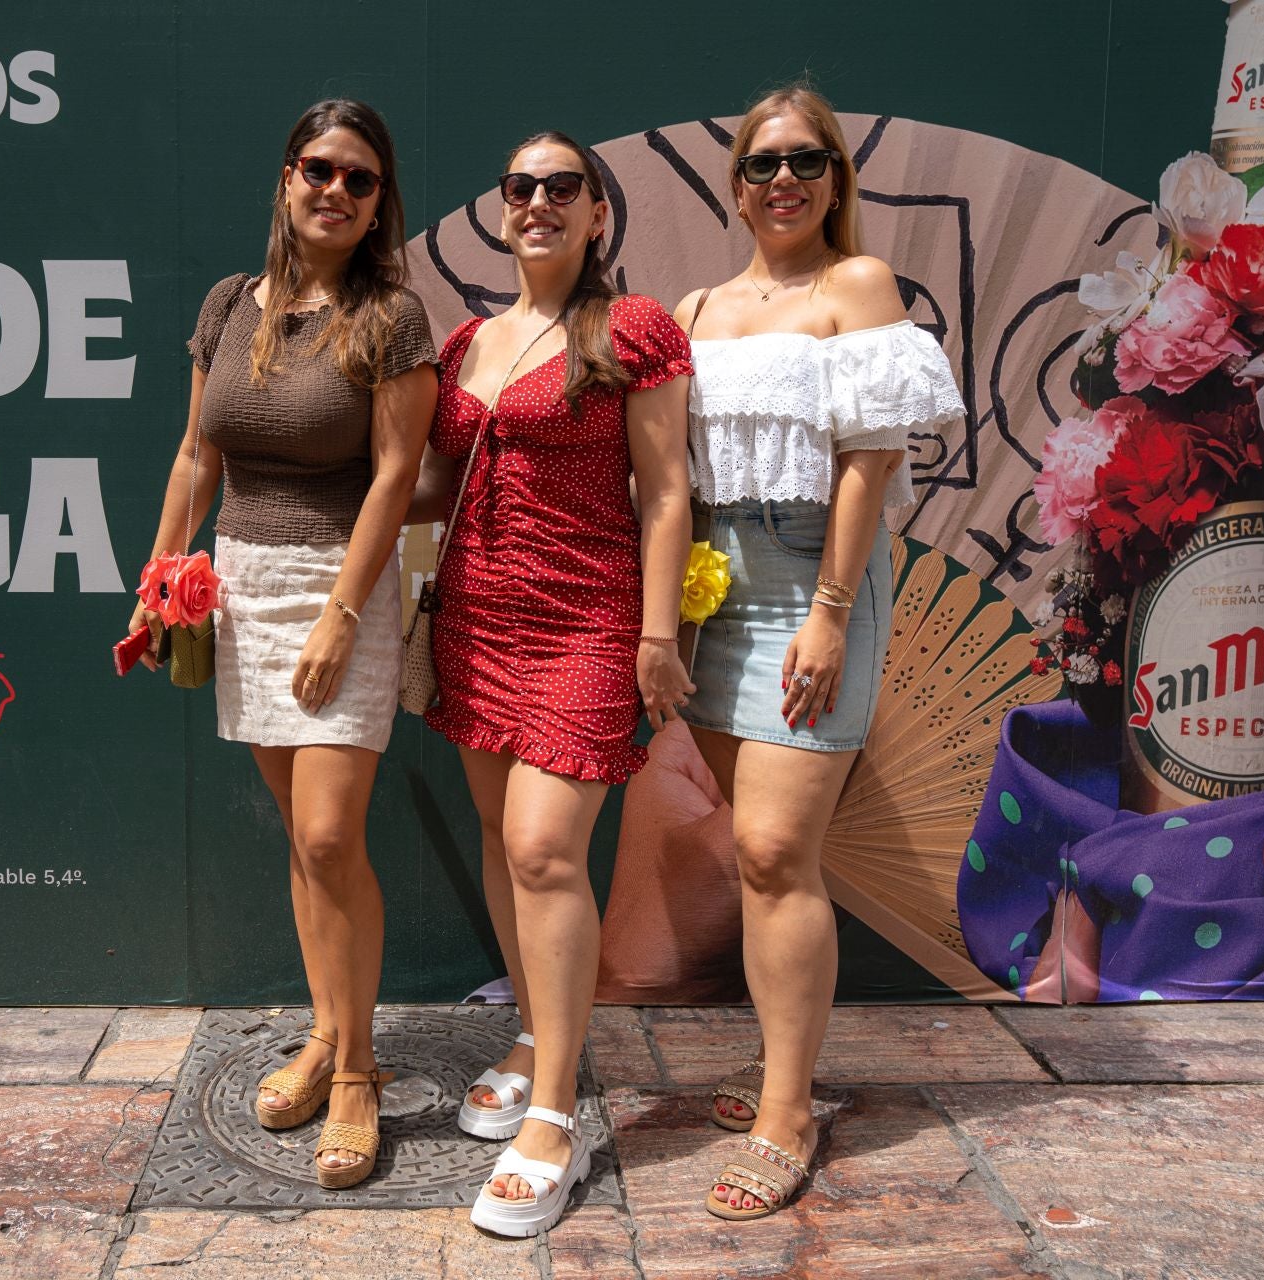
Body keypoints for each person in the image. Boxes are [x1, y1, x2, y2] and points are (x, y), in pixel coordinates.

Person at [129, 99, 438, 1190]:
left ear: (377, 201)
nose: (336, 192)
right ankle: (324, 1030)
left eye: (360, 180)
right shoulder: (227, 304)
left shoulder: (394, 316)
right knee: (302, 842)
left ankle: (357, 1073)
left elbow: (397, 478)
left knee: (325, 835)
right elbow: (194, 454)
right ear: (286, 177)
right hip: (241, 585)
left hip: (337, 585)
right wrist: (163, 577)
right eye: (320, 169)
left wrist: (346, 614)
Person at [674, 83, 963, 1219]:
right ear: (733, 181)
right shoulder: (695, 305)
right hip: (716, 583)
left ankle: (789, 1111)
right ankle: (783, 1068)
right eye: (761, 163)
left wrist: (833, 605)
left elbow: (869, 460)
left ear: (838, 175)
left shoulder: (856, 285)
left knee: (774, 844)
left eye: (806, 160)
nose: (783, 180)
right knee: (763, 859)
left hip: (813, 577)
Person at [409, 131, 695, 1236]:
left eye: (559, 187)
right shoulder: (472, 336)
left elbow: (665, 492)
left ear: (596, 215)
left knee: (543, 846)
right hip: (477, 619)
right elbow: (440, 477)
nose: (536, 201)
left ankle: (559, 1116)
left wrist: (658, 634)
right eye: (519, 186)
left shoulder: (634, 327)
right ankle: (533, 1032)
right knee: (499, 835)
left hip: (588, 619)